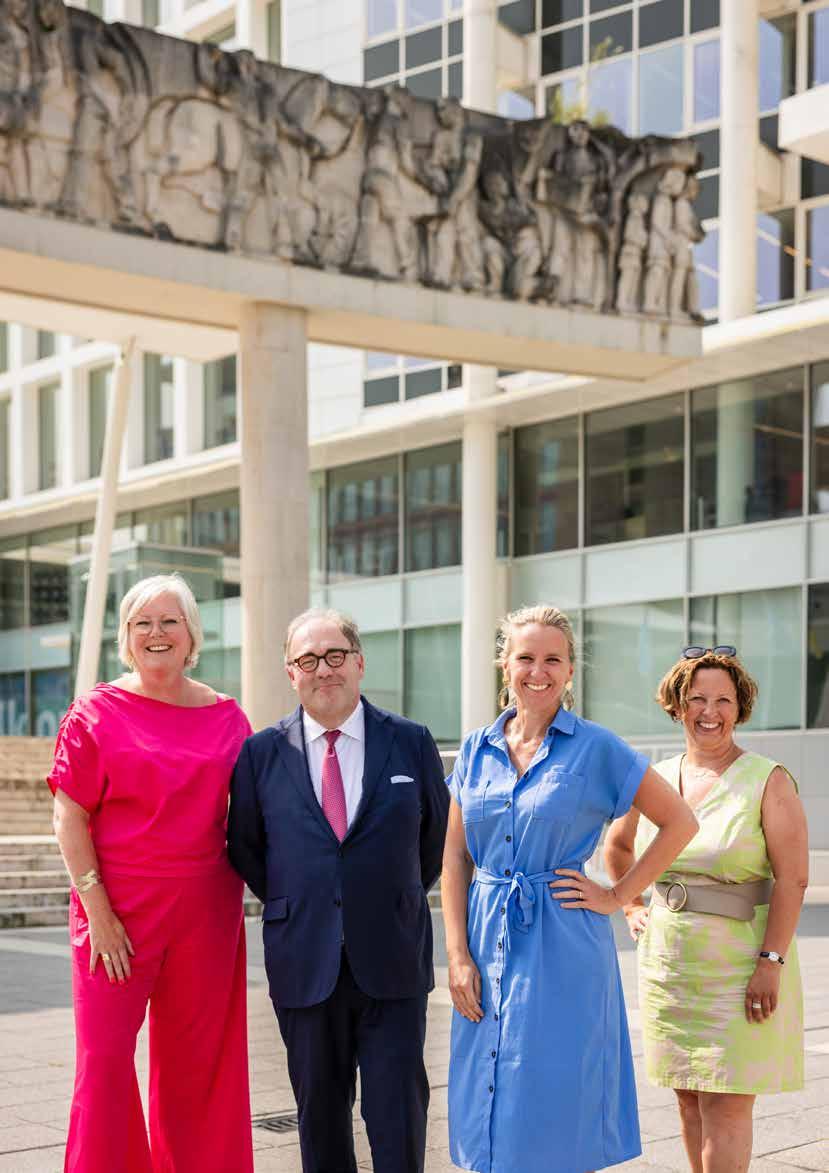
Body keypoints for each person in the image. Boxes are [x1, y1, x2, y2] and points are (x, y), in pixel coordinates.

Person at [442, 604, 698, 1173]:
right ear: (505, 666)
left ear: (570, 670)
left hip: (564, 942)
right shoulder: (476, 748)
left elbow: (680, 822)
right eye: (526, 658)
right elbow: (455, 857)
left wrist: (617, 894)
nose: (539, 671)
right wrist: (457, 956)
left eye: (553, 660)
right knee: (488, 1085)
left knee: (556, 1093)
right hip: (485, 938)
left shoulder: (597, 747)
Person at [227, 607, 450, 1173]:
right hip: (304, 960)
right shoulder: (260, 754)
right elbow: (247, 847)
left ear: (359, 663)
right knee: (320, 1122)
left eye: (334, 656)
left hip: (393, 959)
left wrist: (383, 896)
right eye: (308, 660)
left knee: (399, 1118)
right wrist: (309, 900)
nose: (323, 669)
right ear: (290, 672)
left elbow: (435, 840)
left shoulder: (410, 741)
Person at [48, 574, 253, 1173]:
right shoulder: (95, 711)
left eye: (170, 621)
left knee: (201, 1066)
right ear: (126, 636)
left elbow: (257, 815)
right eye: (143, 622)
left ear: (192, 634)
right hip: (114, 911)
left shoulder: (228, 716)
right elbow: (68, 814)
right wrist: (98, 912)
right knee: (105, 1059)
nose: (156, 633)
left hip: (206, 914)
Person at [604, 646, 808, 1173]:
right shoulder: (653, 778)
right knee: (688, 1098)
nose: (709, 711)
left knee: (726, 1101)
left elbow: (793, 879)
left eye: (723, 700)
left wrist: (771, 961)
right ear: (677, 706)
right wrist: (632, 907)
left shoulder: (768, 778)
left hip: (740, 964)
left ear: (740, 709)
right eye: (697, 699)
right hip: (670, 964)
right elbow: (618, 846)